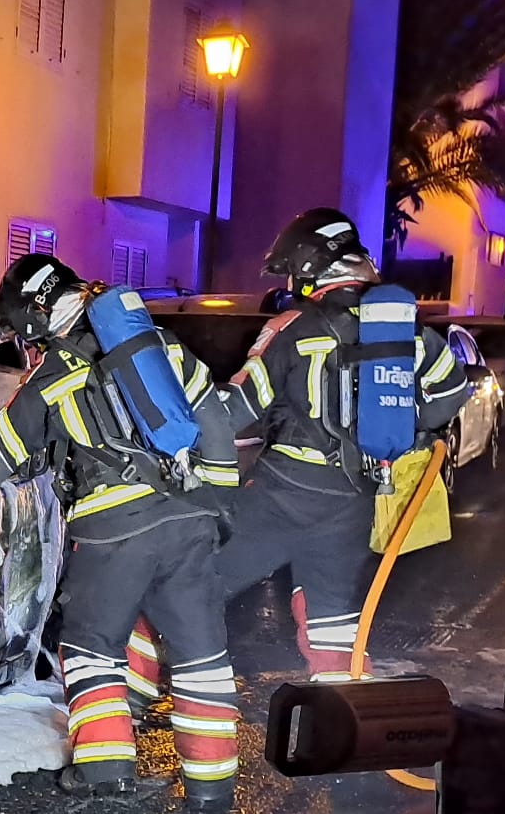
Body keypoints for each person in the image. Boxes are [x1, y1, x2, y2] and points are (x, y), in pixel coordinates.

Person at [0, 253, 247, 805]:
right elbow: (214, 420)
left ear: (34, 319)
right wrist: (217, 503)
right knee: (202, 658)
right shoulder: (159, 346)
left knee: (90, 649)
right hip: (191, 520)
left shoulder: (51, 378)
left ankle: (104, 772)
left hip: (112, 535)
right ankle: (213, 787)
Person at [201, 207, 470, 681]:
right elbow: (452, 393)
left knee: (190, 582)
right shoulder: (404, 330)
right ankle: (344, 730)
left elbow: (237, 409)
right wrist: (403, 431)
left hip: (284, 493)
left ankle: (127, 690)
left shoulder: (289, 330)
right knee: (334, 625)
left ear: (311, 272)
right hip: (355, 495)